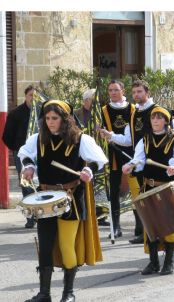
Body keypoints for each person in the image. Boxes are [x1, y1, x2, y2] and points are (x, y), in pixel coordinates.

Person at [18, 100, 108, 302]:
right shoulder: (38, 139)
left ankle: (69, 293)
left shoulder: (80, 139)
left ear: (65, 119)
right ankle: (44, 293)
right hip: (45, 199)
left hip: (72, 198)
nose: (50, 122)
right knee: (46, 245)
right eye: (47, 118)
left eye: (55, 118)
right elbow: (25, 155)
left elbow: (99, 160)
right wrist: (30, 166)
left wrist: (88, 170)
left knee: (67, 245)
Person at [101, 79, 174, 244]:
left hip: (162, 164)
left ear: (148, 92)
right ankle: (146, 231)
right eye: (134, 92)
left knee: (163, 204)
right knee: (144, 199)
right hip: (141, 164)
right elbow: (128, 139)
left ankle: (166, 241)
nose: (136, 95)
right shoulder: (133, 114)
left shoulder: (159, 110)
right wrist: (111, 136)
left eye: (140, 92)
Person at [122, 106, 174, 275]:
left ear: (166, 121)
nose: (155, 121)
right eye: (153, 118)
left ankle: (169, 262)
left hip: (168, 188)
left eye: (159, 118)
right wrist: (131, 165)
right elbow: (139, 159)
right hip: (148, 187)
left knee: (169, 225)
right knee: (150, 226)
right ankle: (153, 262)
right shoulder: (145, 139)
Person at [99, 80, 140, 239]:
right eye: (110, 90)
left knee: (136, 190)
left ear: (123, 90)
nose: (113, 93)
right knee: (114, 191)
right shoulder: (103, 110)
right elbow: (96, 129)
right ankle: (116, 227)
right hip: (112, 155)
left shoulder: (133, 109)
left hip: (132, 154)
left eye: (116, 89)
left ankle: (139, 225)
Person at [74, 88, 110, 227]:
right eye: (94, 100)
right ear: (86, 101)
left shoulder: (100, 114)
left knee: (100, 184)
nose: (96, 103)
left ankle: (101, 215)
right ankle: (85, 212)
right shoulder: (76, 114)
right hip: (81, 154)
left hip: (97, 153)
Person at [2, 85, 36, 228]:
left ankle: (42, 213)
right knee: (26, 184)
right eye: (30, 96)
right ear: (25, 96)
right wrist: (16, 149)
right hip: (21, 154)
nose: (33, 99)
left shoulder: (43, 113)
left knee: (41, 184)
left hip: (39, 153)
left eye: (36, 96)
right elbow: (7, 136)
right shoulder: (16, 114)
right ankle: (30, 217)